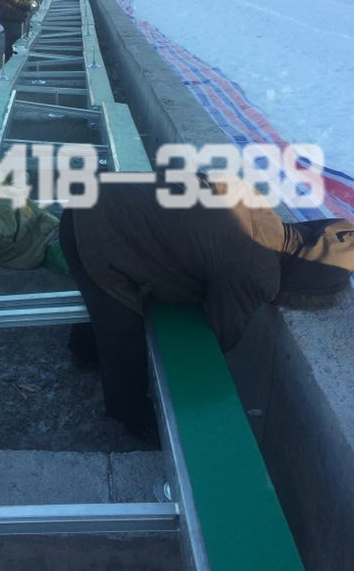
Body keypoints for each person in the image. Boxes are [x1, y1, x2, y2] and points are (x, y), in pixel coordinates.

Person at [58, 177, 354, 441]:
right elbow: (223, 334)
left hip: (94, 197)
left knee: (101, 297)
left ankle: (83, 352)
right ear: (304, 285)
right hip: (96, 231)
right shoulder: (257, 270)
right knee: (123, 332)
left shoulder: (255, 203)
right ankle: (129, 414)